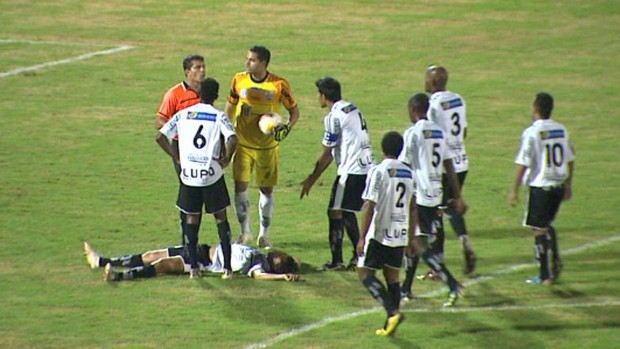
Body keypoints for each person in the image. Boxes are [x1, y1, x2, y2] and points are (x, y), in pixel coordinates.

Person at [156, 77, 238, 279]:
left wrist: (177, 157)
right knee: (221, 217)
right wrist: (226, 159)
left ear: (198, 94)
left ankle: (193, 268)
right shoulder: (218, 116)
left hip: (189, 175)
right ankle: (227, 268)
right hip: (211, 175)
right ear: (217, 96)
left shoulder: (183, 115)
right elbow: (233, 138)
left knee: (192, 218)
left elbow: (160, 136)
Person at [224, 45, 300, 249]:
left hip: (267, 147)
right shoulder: (238, 80)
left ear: (264, 63)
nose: (247, 63)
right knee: (240, 187)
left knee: (266, 189)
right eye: (247, 59)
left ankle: (264, 235)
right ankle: (245, 232)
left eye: (252, 60)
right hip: (243, 144)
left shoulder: (278, 85)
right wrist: (224, 130)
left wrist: (287, 127)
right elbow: (230, 106)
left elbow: (294, 112)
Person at [399, 93, 467, 307]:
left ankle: (452, 283)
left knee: (418, 245)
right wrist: (457, 195)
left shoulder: (413, 133)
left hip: (420, 197)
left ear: (414, 109)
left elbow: (404, 165)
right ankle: (406, 289)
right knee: (416, 243)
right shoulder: (439, 132)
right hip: (437, 194)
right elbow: (449, 165)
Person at [300, 77, 375, 271]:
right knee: (346, 210)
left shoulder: (334, 117)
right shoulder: (352, 108)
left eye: (319, 94)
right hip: (368, 167)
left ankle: (337, 261)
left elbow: (326, 154)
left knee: (334, 211)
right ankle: (359, 255)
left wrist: (310, 180)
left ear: (324, 96)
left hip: (351, 171)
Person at [509, 92, 575, 285]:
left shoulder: (532, 133)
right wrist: (569, 184)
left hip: (541, 187)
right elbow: (571, 158)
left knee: (538, 229)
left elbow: (523, 164)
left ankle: (545, 275)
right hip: (558, 185)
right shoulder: (561, 130)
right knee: (545, 224)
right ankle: (555, 262)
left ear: (536, 108)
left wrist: (514, 190)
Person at [356, 131, 414, 336]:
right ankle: (390, 324)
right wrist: (412, 237)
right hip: (401, 233)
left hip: (380, 233)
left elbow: (368, 205)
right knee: (392, 277)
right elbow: (413, 207)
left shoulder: (379, 171)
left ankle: (392, 312)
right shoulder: (409, 173)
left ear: (383, 150)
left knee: (364, 273)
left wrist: (362, 237)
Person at [425, 65, 476, 274]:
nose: (425, 82)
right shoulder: (458, 99)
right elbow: (463, 131)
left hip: (444, 166)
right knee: (451, 207)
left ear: (434, 82)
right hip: (461, 161)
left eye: (427, 78)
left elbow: (431, 137)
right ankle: (464, 240)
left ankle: (437, 266)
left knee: (436, 213)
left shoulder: (433, 105)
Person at [155, 54, 206, 245]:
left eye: (203, 67)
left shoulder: (205, 92)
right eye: (197, 67)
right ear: (187, 71)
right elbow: (159, 121)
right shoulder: (175, 94)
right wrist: (178, 130)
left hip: (202, 149)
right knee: (190, 193)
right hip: (183, 149)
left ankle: (192, 241)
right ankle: (187, 241)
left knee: (200, 194)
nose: (202, 70)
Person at [83, 242, 301, 282]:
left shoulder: (259, 266)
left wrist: (282, 276)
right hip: (200, 248)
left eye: (280, 260)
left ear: (277, 265)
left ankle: (118, 276)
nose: (277, 255)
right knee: (152, 255)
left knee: (162, 265)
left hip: (203, 262)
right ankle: (101, 261)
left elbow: (258, 276)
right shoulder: (259, 253)